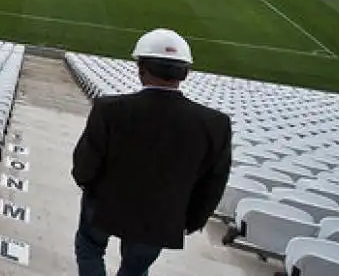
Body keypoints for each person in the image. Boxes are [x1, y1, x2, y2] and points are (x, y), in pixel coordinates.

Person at [71, 28, 232, 276]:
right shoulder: (214, 124)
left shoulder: (110, 109)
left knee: (89, 248)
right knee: (136, 268)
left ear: (141, 69)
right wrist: (191, 220)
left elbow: (86, 161)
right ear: (186, 73)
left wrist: (85, 183)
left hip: (103, 204)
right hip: (160, 217)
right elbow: (213, 182)